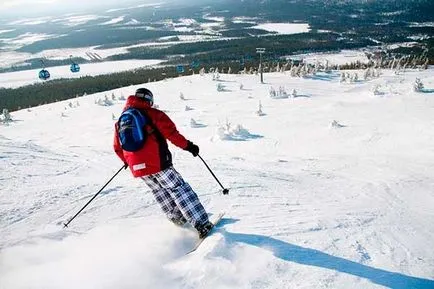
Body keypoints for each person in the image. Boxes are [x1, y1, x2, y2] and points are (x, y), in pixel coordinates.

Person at [113, 88, 213, 238]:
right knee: (179, 188)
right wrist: (189, 146)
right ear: (148, 100)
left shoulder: (121, 120)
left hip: (137, 168)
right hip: (157, 162)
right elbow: (172, 134)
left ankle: (179, 220)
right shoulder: (153, 114)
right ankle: (201, 224)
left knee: (159, 191)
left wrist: (128, 161)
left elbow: (117, 147)